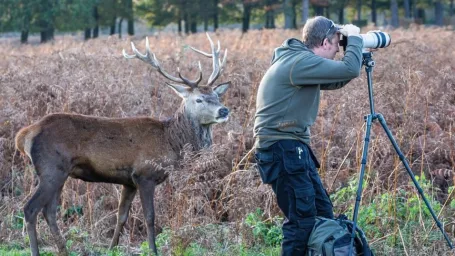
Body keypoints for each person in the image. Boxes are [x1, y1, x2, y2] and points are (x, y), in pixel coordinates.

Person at [253, 16, 363, 255]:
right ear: (324, 42)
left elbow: (338, 79)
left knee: (322, 214)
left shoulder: (297, 60)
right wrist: (354, 37)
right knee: (302, 220)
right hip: (282, 149)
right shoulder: (299, 62)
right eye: (336, 44)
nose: (337, 50)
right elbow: (349, 69)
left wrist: (358, 50)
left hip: (291, 149)